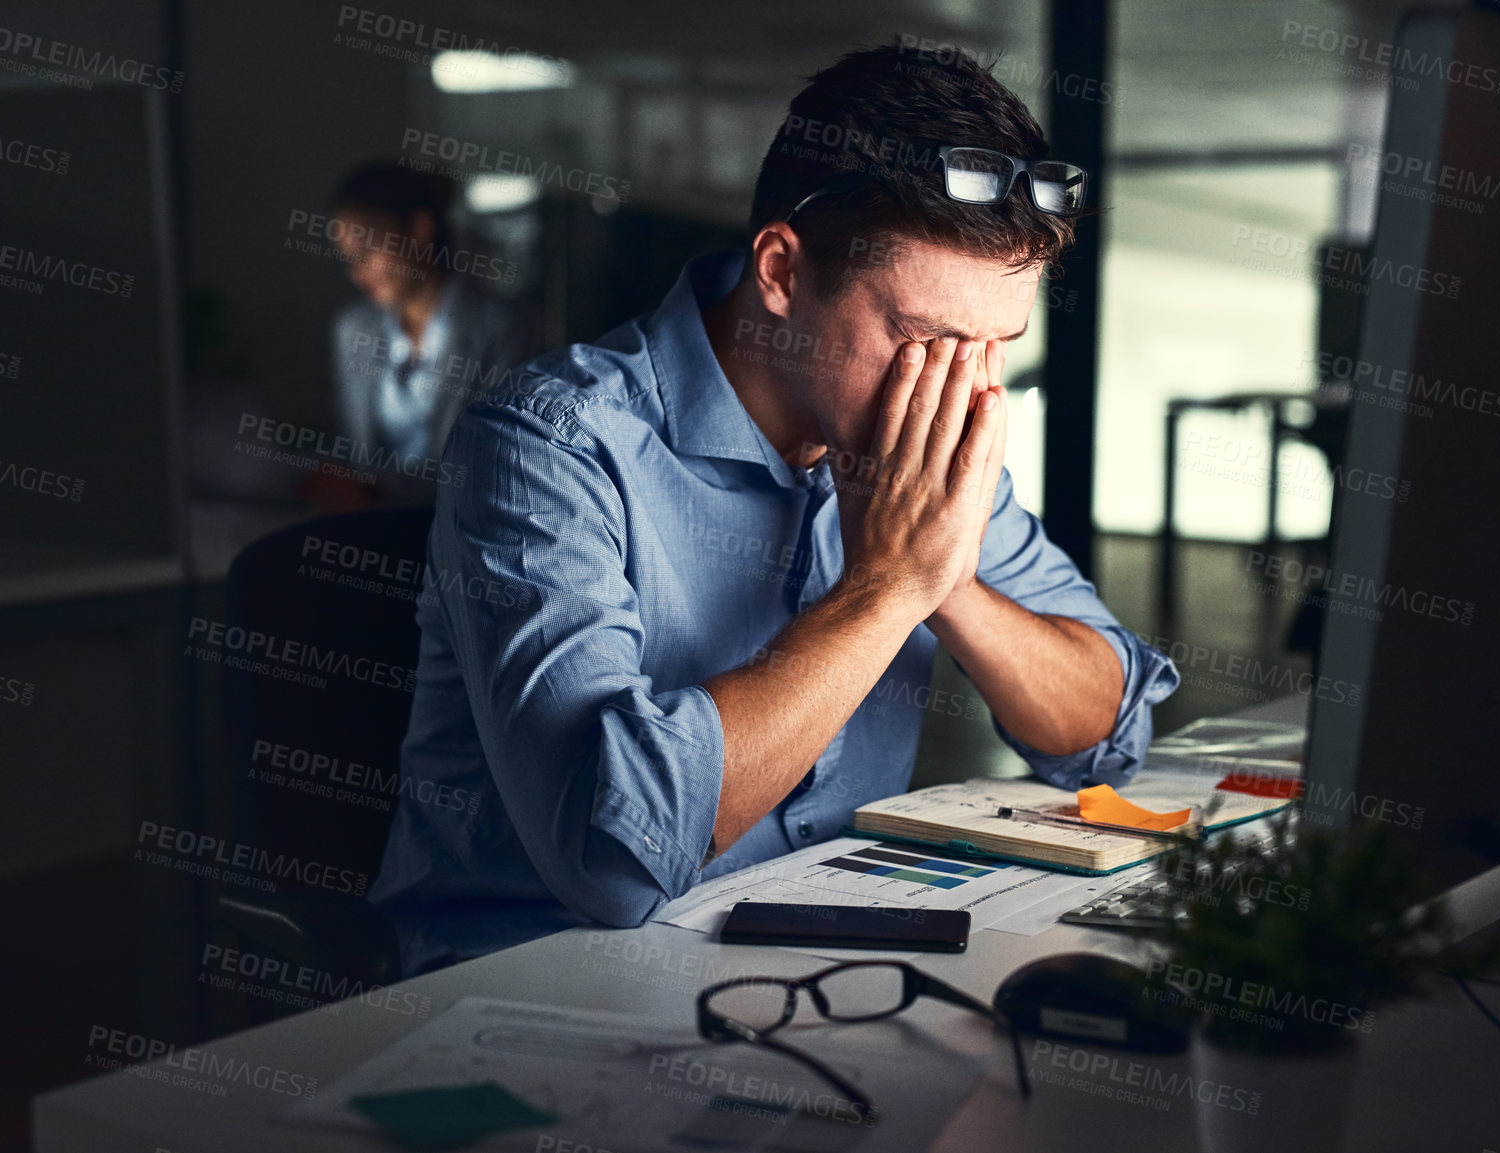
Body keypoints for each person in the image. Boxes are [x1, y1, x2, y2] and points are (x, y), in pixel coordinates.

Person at [369, 44, 1179, 975]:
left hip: (807, 972)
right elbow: (611, 865)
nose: (960, 392)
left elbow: (1109, 738)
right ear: (782, 273)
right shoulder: (546, 443)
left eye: (997, 347)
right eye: (923, 340)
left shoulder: (917, 445)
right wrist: (885, 588)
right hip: (525, 991)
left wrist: (945, 580)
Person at [325, 162, 522, 504]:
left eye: (367, 252)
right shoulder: (352, 328)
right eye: (348, 259)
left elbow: (491, 465)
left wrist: (380, 490)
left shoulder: (501, 328)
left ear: (419, 230)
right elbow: (353, 449)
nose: (357, 272)